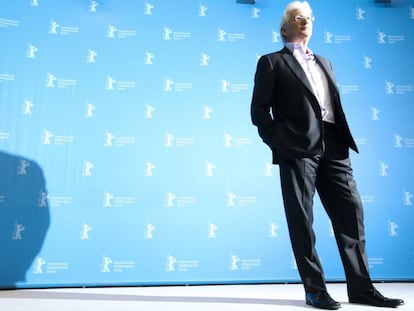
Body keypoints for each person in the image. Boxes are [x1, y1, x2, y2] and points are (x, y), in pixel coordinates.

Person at [250, 1, 405, 310]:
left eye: (308, 17)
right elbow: (258, 112)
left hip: (334, 145)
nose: (304, 20)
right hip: (296, 148)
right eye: (297, 17)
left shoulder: (325, 61)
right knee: (302, 220)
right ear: (284, 29)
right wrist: (280, 143)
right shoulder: (271, 63)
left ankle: (361, 289)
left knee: (351, 213)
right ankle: (315, 290)